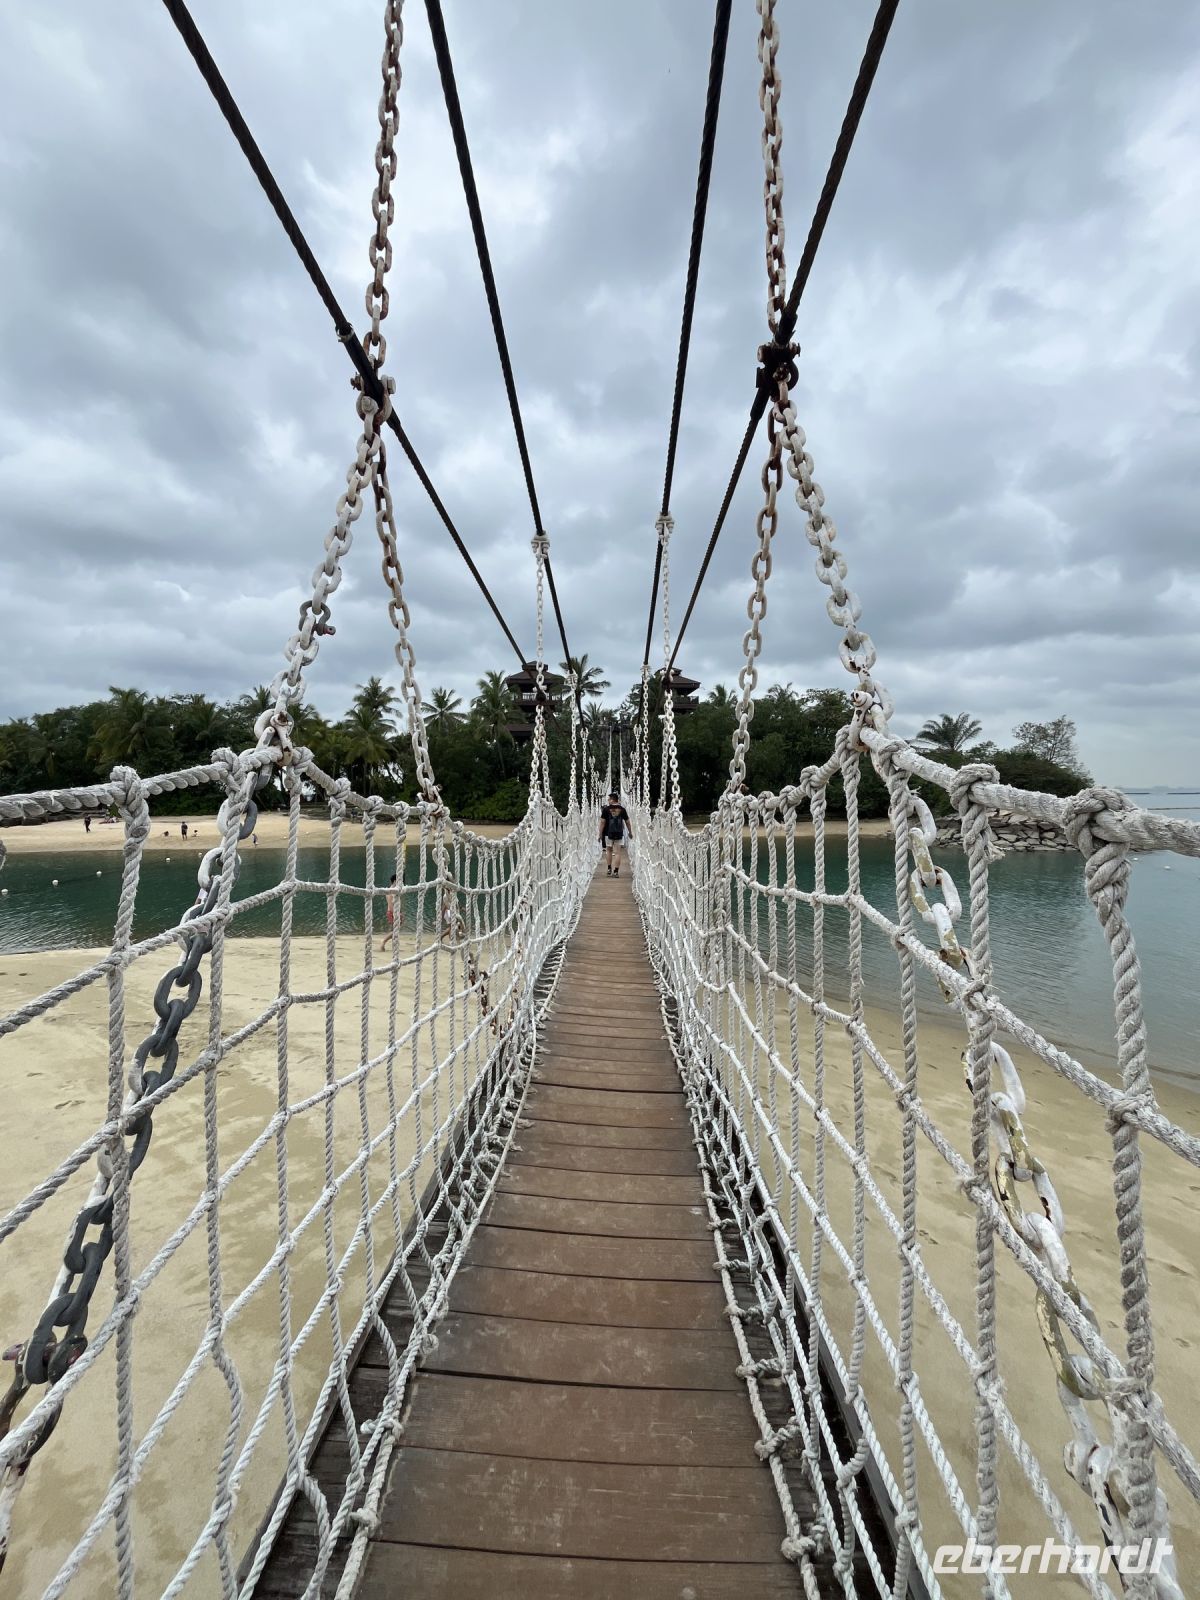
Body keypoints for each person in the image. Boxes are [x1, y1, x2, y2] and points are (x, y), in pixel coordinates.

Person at [598, 790, 631, 877]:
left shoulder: (606, 809)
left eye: (609, 799)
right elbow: (627, 822)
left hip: (608, 833)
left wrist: (600, 834)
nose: (608, 801)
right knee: (618, 852)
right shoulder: (622, 809)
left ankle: (609, 868)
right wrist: (630, 832)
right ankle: (616, 871)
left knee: (608, 850)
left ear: (612, 800)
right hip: (619, 833)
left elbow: (602, 822)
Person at [380, 873, 399, 952]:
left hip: (393, 912)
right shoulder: (391, 891)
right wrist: (396, 914)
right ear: (394, 881)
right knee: (395, 930)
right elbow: (391, 905)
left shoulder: (392, 890)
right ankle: (383, 941)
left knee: (395, 930)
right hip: (392, 912)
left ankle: (394, 945)